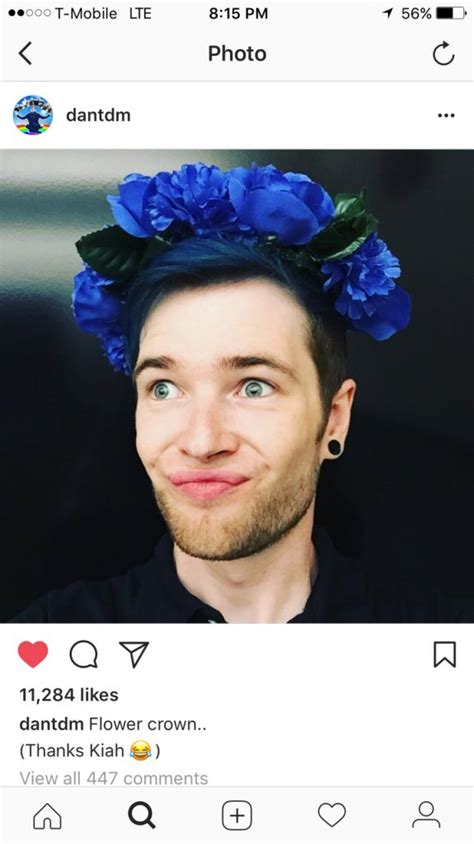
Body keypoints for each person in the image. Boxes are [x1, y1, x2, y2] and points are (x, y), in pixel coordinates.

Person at [12, 162, 466, 623]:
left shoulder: (436, 634)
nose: (202, 442)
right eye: (164, 388)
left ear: (335, 418)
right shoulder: (56, 635)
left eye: (253, 387)